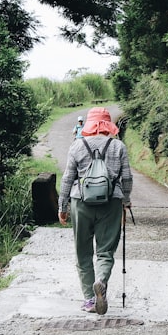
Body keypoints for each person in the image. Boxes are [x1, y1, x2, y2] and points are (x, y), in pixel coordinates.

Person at [58, 107, 133, 314]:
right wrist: (125, 201)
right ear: (108, 125)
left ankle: (90, 300)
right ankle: (100, 281)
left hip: (80, 203)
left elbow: (67, 179)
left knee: (83, 252)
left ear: (90, 125)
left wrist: (62, 206)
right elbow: (126, 178)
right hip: (110, 203)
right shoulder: (118, 146)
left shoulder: (77, 146)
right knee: (105, 251)